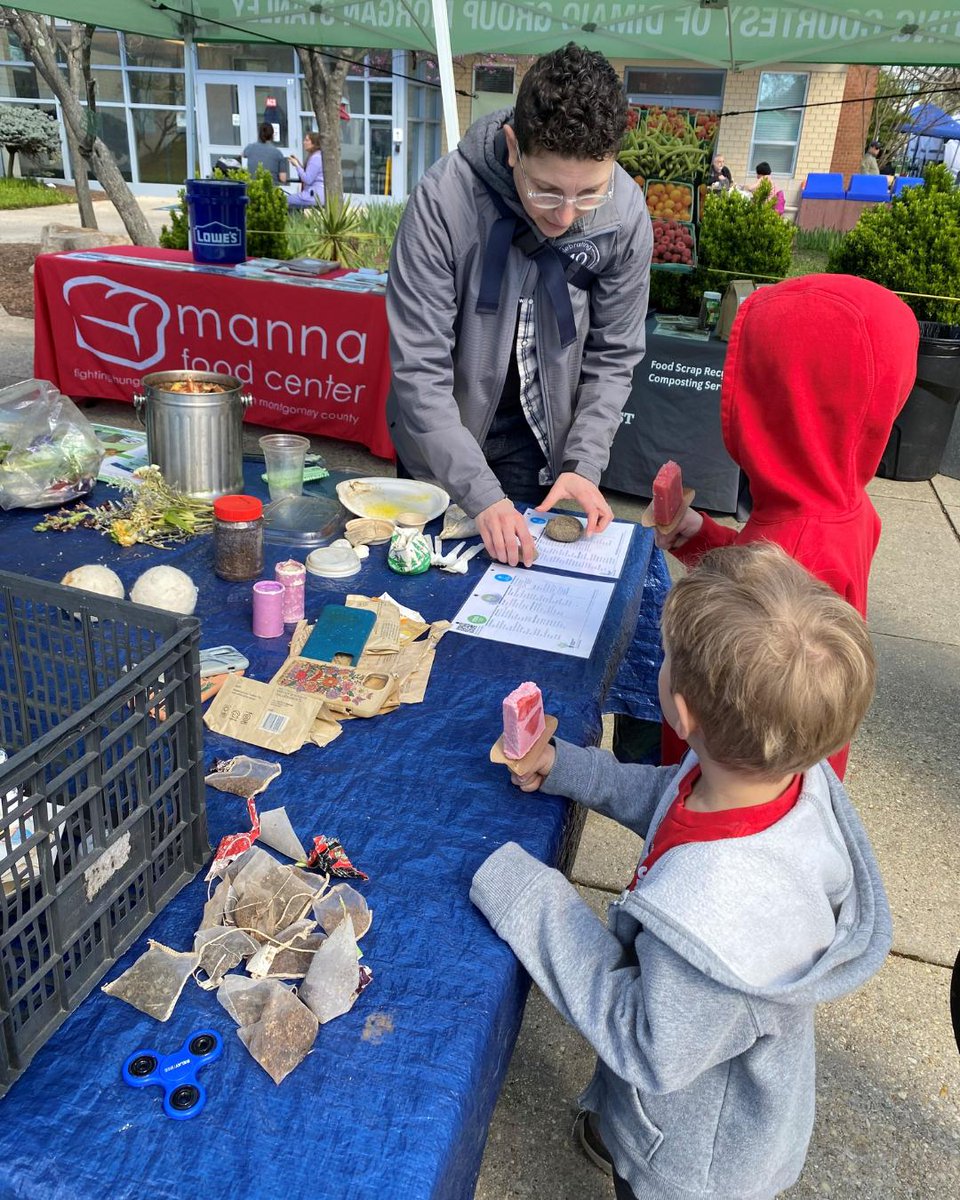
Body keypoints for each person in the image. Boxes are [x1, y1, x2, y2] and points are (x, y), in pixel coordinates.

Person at [471, 540, 891, 1200]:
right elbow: (668, 796)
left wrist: (531, 896)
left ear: (682, 712)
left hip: (692, 1166)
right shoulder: (770, 778)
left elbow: (646, 1043)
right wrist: (569, 769)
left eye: (665, 659)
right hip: (677, 1101)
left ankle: (631, 1146)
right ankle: (619, 1129)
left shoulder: (712, 927)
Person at [386, 43, 652, 568]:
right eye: (547, 192)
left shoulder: (624, 214)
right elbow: (420, 373)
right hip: (441, 441)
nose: (567, 216)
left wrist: (584, 462)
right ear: (513, 147)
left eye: (590, 193)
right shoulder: (443, 203)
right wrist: (481, 497)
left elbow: (614, 356)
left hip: (547, 441)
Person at [656, 273, 919, 777]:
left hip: (732, 781)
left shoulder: (794, 544)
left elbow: (729, 685)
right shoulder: (843, 503)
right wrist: (703, 538)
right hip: (796, 764)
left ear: (778, 405)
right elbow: (762, 578)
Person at [287, 131, 325, 209]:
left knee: (284, 200)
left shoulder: (316, 158)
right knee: (292, 203)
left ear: (314, 143)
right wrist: (299, 164)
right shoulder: (316, 155)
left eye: (307, 140)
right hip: (314, 194)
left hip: (314, 195)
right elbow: (308, 174)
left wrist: (297, 166)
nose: (304, 142)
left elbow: (308, 179)